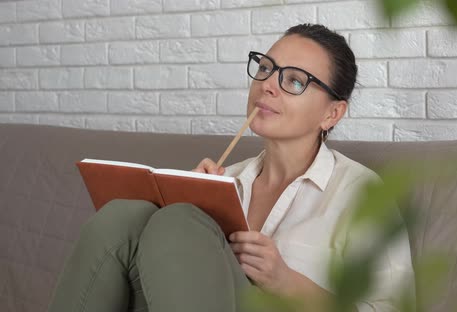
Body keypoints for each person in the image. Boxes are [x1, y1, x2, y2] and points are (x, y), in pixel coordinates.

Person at [48, 24, 413, 312]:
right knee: (124, 217)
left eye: (295, 81)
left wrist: (283, 279)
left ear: (332, 113)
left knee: (180, 221)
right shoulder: (229, 179)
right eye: (266, 69)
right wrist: (189, 207)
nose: (268, 85)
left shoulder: (363, 192)